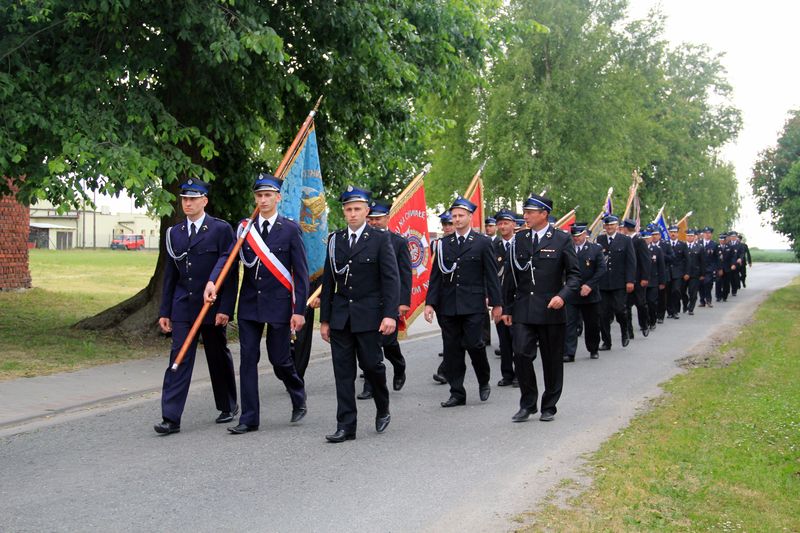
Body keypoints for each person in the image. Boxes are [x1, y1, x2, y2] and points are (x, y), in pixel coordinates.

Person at [205, 173, 309, 434]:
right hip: (251, 304)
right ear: (255, 198)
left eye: (268, 195)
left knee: (279, 360)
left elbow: (302, 274)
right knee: (247, 360)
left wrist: (299, 312)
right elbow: (228, 258)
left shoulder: (290, 229)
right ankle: (249, 419)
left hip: (279, 305)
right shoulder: (245, 229)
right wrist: (212, 281)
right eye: (259, 196)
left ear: (278, 198)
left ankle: (297, 392)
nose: (263, 200)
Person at [154, 178, 238, 435]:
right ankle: (171, 417)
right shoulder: (174, 233)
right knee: (178, 357)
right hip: (183, 306)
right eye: (184, 199)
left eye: (193, 199)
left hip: (210, 307)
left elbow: (230, 271)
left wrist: (226, 308)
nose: (187, 203)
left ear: (205, 201)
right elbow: (170, 275)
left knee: (216, 354)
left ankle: (227, 405)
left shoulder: (220, 229)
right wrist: (165, 311)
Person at [320, 186, 399, 443]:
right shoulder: (335, 240)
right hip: (341, 317)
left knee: (372, 366)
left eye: (357, 209)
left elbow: (390, 279)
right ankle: (346, 426)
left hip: (369, 316)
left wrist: (389, 315)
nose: (352, 214)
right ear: (343, 211)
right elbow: (329, 282)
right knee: (343, 372)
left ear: (366, 211)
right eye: (348, 209)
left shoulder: (379, 239)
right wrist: (324, 319)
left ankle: (382, 405)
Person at [500, 194, 580, 422]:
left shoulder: (562, 239)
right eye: (524, 212)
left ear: (544, 214)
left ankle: (549, 405)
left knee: (552, 360)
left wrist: (562, 296)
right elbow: (510, 276)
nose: (525, 216)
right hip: (524, 308)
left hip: (551, 309)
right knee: (521, 354)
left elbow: (574, 276)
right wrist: (507, 308)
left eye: (530, 212)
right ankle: (528, 403)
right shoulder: (519, 239)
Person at [424, 197, 502, 408]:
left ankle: (483, 380)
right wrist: (430, 303)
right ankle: (457, 392)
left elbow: (492, 276)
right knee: (452, 350)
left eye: (461, 216)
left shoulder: (483, 242)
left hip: (473, 304)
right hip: (448, 305)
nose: (457, 220)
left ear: (470, 217)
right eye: (454, 216)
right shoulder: (442, 244)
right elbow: (436, 276)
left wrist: (497, 304)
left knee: (475, 345)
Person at [357, 200, 411, 400]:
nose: (373, 222)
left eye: (377, 219)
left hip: (390, 301)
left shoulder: (398, 242)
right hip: (367, 302)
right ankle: (370, 384)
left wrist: (403, 301)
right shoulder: (360, 240)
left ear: (387, 218)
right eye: (370, 219)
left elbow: (405, 275)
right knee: (367, 345)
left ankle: (399, 365)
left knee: (388, 343)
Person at [563, 223, 605, 361]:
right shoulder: (567, 250)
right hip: (572, 293)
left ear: (585, 234)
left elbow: (601, 270)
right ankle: (569, 352)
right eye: (574, 236)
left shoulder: (595, 249)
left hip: (590, 294)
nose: (576, 239)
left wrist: (589, 285)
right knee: (569, 323)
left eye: (579, 236)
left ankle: (593, 348)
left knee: (592, 323)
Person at [596, 215, 636, 350]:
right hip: (603, 283)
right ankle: (606, 342)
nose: (609, 227)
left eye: (612, 225)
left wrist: (630, 280)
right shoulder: (600, 240)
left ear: (617, 226)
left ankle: (625, 331)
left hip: (619, 283)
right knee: (603, 314)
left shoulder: (625, 240)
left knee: (620, 310)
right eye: (607, 225)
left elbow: (631, 262)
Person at [492, 209, 517, 384]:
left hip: (518, 300)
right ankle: (507, 374)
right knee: (504, 340)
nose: (502, 226)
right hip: (500, 299)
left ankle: (520, 373)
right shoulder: (493, 247)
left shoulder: (522, 244)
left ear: (514, 224)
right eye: (499, 223)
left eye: (506, 223)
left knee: (518, 340)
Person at [432, 211, 454, 385]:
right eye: (445, 224)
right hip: (443, 298)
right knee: (449, 336)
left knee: (466, 341)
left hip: (464, 299)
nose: (447, 227)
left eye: (450, 224)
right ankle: (447, 369)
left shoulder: (476, 242)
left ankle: (447, 369)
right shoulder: (437, 245)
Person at [620, 218, 651, 338]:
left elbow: (646, 260)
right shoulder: (623, 240)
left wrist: (645, 277)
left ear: (626, 228)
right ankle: (629, 330)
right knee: (626, 306)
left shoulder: (639, 241)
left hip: (638, 279)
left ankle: (644, 324)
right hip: (626, 279)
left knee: (640, 304)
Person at [643, 226, 666, 330]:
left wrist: (662, 282)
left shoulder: (657, 250)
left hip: (653, 281)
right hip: (641, 281)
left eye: (648, 238)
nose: (646, 240)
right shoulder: (638, 249)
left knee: (652, 302)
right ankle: (644, 322)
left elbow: (661, 266)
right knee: (643, 303)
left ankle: (652, 320)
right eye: (644, 238)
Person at [651, 228, 673, 323]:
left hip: (663, 273)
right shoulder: (646, 245)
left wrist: (661, 255)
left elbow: (672, 257)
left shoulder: (665, 245)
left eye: (656, 234)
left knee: (662, 296)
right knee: (651, 298)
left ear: (660, 236)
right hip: (651, 275)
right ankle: (652, 315)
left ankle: (660, 315)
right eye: (653, 234)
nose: (654, 236)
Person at [683, 229, 706, 315]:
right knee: (682, 292)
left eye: (691, 236)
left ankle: (691, 308)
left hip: (695, 274)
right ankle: (685, 303)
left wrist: (703, 274)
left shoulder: (700, 247)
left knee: (693, 292)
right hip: (684, 274)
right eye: (688, 236)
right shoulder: (682, 246)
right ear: (686, 237)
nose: (690, 237)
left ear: (694, 237)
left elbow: (703, 262)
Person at [666, 225, 687, 318]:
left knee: (676, 290)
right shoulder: (665, 244)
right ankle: (670, 311)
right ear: (669, 233)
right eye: (671, 232)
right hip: (667, 272)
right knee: (668, 292)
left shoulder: (682, 245)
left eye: (674, 232)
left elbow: (687, 260)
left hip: (678, 273)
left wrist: (686, 272)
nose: (673, 234)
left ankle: (675, 310)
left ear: (677, 233)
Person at [699, 226, 719, 308]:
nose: (707, 235)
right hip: (700, 269)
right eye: (706, 233)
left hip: (709, 269)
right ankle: (702, 301)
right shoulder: (698, 243)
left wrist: (715, 268)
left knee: (708, 284)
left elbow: (717, 258)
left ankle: (709, 300)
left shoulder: (714, 245)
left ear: (711, 234)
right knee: (700, 285)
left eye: (709, 233)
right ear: (703, 234)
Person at [716, 233, 729, 302]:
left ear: (725, 240)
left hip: (727, 268)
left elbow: (732, 257)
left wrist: (733, 264)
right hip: (718, 268)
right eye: (720, 239)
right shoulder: (716, 247)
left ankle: (725, 296)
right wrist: (718, 268)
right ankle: (718, 296)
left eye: (723, 239)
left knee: (726, 283)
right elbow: (714, 258)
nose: (721, 241)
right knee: (718, 282)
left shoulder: (729, 247)